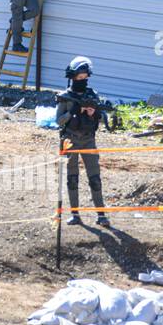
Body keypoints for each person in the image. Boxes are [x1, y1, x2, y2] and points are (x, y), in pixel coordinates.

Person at [56, 56, 111, 227]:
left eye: (85, 77)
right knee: (72, 178)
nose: (83, 80)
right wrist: (73, 111)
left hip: (88, 140)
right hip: (70, 140)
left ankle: (101, 215)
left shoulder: (92, 94)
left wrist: (92, 113)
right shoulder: (65, 97)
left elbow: (103, 119)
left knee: (94, 178)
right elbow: (58, 121)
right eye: (80, 77)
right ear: (73, 77)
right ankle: (75, 214)